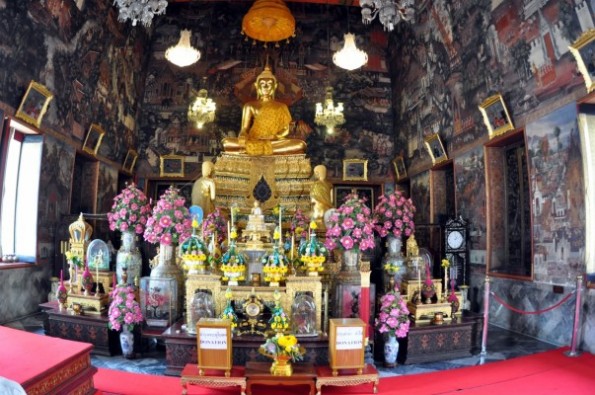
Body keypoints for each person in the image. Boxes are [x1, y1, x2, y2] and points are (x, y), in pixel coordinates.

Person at [222, 66, 306, 156]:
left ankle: (249, 151)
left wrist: (275, 136)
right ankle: (252, 149)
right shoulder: (249, 106)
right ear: (257, 86)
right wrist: (243, 136)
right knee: (227, 142)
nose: (266, 86)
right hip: (254, 140)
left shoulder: (281, 106)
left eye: (269, 84)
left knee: (300, 145)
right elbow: (245, 129)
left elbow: (286, 129)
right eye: (262, 84)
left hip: (274, 142)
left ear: (275, 86)